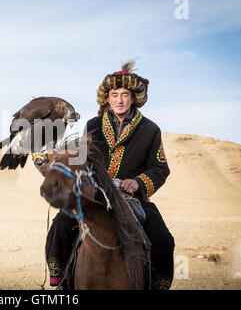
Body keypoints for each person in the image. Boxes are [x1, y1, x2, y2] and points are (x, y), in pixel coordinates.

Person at [45, 61, 175, 290]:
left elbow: (159, 168)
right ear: (107, 98)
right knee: (61, 224)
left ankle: (157, 285)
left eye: (125, 94)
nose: (120, 100)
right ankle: (62, 280)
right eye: (115, 94)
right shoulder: (93, 125)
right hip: (95, 194)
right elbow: (82, 159)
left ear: (134, 98)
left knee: (163, 238)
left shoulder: (150, 129)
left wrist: (138, 182)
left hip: (133, 199)